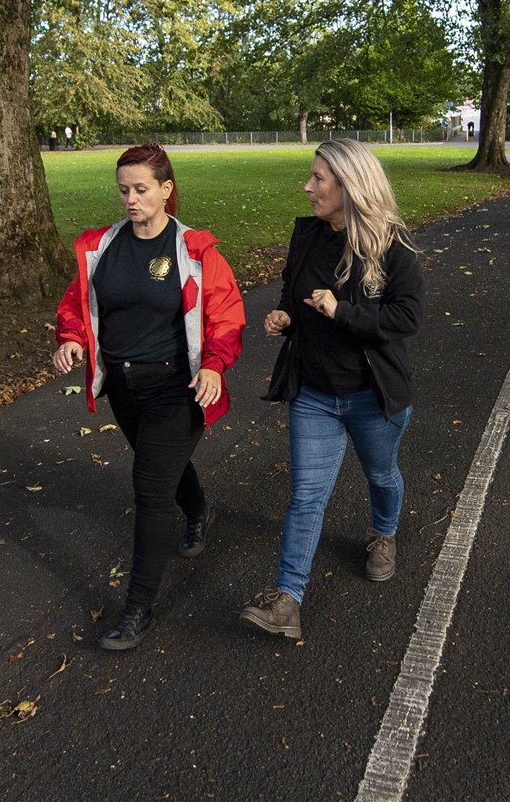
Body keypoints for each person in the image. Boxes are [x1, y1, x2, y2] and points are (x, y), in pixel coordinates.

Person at [53, 144, 246, 651]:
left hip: (176, 387)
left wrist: (214, 365)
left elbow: (225, 315)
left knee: (150, 488)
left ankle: (138, 607)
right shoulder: (101, 247)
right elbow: (76, 305)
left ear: (166, 189)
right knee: (160, 464)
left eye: (141, 189)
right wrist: (71, 338)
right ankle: (200, 510)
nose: (131, 200)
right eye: (123, 190)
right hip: (122, 385)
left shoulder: (196, 251)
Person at [240, 139, 425, 640]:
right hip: (315, 394)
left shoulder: (393, 245)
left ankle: (383, 534)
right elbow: (291, 287)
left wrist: (341, 311)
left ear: (350, 185)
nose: (308, 186)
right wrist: (285, 314)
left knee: (382, 475)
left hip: (371, 395)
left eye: (319, 178)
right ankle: (288, 600)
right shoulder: (307, 236)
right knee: (306, 497)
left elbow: (406, 316)